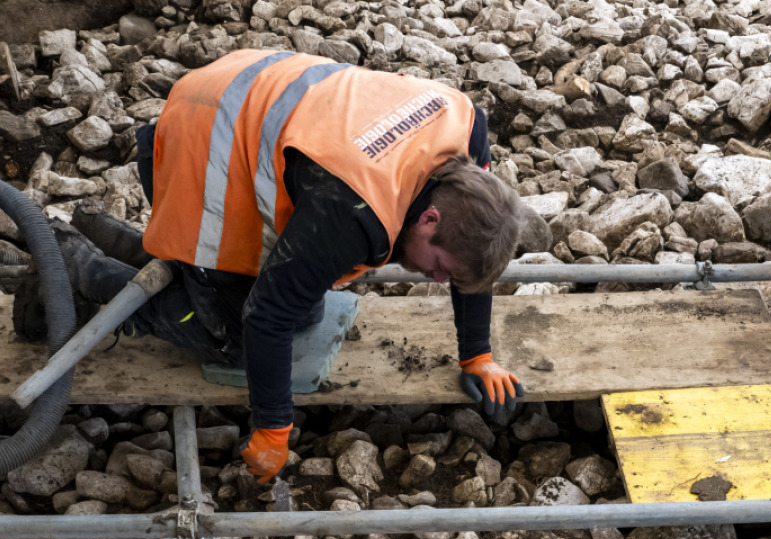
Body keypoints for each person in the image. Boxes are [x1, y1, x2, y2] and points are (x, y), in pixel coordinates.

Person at [14, 48, 531, 484]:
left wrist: (477, 355)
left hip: (248, 90)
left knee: (291, 301)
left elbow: (470, 257)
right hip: (203, 135)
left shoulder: (465, 129)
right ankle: (77, 262)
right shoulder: (352, 208)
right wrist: (273, 429)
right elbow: (268, 316)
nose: (439, 281)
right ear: (430, 218)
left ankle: (134, 245)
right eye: (440, 267)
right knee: (232, 333)